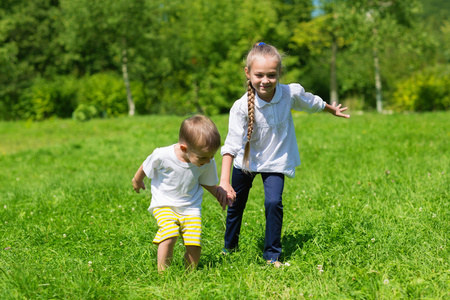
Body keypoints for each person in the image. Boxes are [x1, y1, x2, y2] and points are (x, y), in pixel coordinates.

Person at [219, 42, 350, 267]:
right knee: (235, 205)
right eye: (259, 75)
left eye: (272, 75)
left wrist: (331, 109)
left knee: (273, 203)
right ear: (248, 73)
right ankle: (229, 248)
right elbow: (230, 145)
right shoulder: (241, 107)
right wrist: (224, 181)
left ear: (279, 73)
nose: (265, 80)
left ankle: (272, 256)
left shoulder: (289, 93)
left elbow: (311, 102)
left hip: (275, 162)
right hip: (245, 162)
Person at [132, 115, 230, 272]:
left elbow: (206, 181)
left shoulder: (206, 161)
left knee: (194, 244)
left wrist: (218, 192)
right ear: (184, 148)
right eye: (204, 157)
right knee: (169, 235)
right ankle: (163, 273)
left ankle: (189, 274)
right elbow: (146, 164)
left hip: (190, 208)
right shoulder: (163, 155)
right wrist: (137, 180)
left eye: (212, 156)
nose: (209, 160)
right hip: (164, 204)